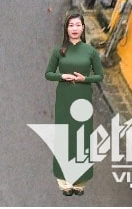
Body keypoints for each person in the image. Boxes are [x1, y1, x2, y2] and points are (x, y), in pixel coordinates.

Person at [44, 14, 103, 195]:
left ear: (83, 28)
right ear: (67, 29)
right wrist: (62, 76)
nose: (75, 28)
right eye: (71, 25)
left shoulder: (90, 52)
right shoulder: (58, 51)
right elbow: (49, 74)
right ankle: (64, 183)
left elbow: (99, 76)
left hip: (83, 97)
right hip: (64, 97)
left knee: (82, 140)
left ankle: (79, 183)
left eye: (78, 25)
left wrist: (85, 79)